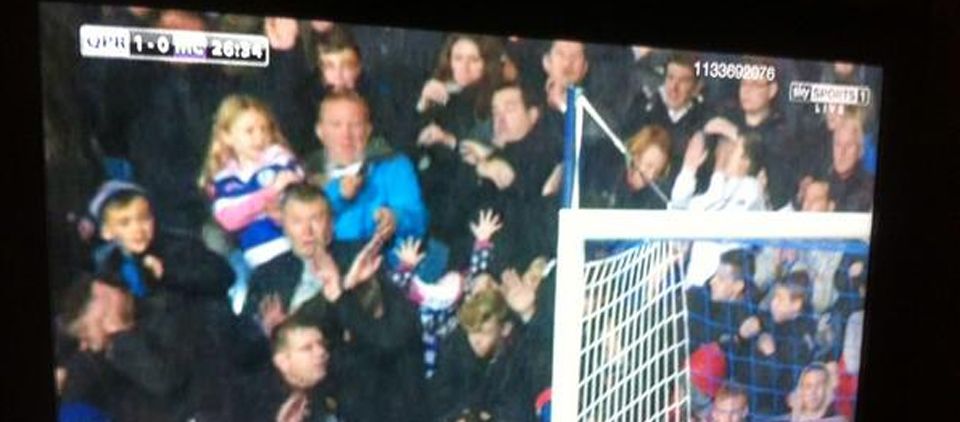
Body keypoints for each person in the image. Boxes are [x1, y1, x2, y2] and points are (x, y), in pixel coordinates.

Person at [308, 91, 428, 253]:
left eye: (355, 125)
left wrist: (395, 219)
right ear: (320, 131)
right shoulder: (305, 176)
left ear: (368, 130)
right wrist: (338, 196)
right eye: (336, 125)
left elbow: (418, 220)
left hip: (385, 266)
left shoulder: (394, 166)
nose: (346, 134)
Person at [198, 94, 304, 269]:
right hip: (256, 259)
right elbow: (229, 219)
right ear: (227, 136)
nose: (259, 137)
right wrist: (268, 195)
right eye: (250, 131)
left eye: (264, 129)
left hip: (292, 250)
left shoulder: (282, 162)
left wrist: (281, 213)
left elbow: (303, 200)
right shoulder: (225, 181)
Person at [733, 271, 817, 418]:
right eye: (774, 297)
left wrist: (771, 355)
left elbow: (788, 389)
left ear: (796, 304)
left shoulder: (802, 340)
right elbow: (736, 358)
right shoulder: (765, 319)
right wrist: (741, 337)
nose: (773, 303)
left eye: (780, 299)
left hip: (768, 411)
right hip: (741, 393)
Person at [238, 315, 340, 422]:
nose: (321, 352)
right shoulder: (253, 400)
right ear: (283, 362)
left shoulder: (334, 383)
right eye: (307, 348)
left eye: (321, 344)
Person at [608, 124, 673, 209]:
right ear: (636, 156)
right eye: (649, 166)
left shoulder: (658, 199)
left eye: (658, 172)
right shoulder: (609, 179)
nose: (651, 176)